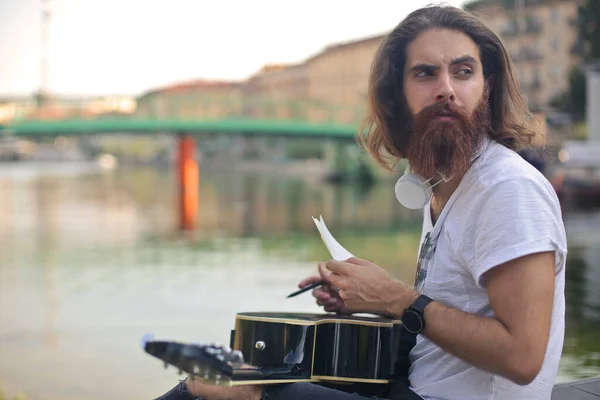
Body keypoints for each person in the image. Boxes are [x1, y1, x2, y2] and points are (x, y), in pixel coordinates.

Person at [156, 4, 567, 400]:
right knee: (225, 369)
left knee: (215, 388)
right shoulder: (445, 180)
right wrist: (370, 299)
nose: (446, 89)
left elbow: (522, 357)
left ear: (487, 86)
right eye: (425, 74)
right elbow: (457, 315)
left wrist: (394, 297)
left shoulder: (507, 189)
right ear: (397, 94)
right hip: (414, 386)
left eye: (463, 72)